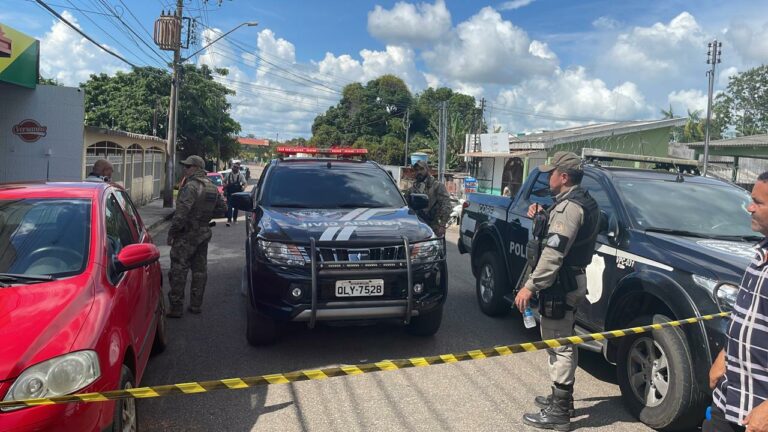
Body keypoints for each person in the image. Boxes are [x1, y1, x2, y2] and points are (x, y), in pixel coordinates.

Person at [513, 151, 600, 431]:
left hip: (560, 284)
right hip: (569, 280)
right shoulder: (574, 202)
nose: (547, 177)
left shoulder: (569, 208)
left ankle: (559, 412)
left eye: (551, 173)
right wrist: (542, 214)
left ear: (563, 177)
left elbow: (553, 254)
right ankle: (562, 398)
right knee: (563, 340)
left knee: (558, 344)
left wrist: (530, 286)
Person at [705, 172, 768, 432]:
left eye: (758, 202)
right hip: (731, 400)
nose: (749, 207)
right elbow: (747, 318)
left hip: (759, 412)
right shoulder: (760, 255)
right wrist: (725, 356)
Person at [167, 155, 226, 317]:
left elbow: (181, 213)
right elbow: (222, 209)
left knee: (179, 269)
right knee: (199, 271)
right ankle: (195, 305)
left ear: (196, 168)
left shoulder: (191, 186)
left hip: (186, 235)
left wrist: (172, 233)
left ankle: (176, 308)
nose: (185, 169)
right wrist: (204, 218)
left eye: (188, 166)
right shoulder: (212, 187)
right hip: (203, 233)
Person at [407, 160, 452, 237]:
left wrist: (442, 225)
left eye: (421, 169)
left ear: (427, 170)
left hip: (434, 226)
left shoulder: (437, 186)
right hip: (417, 226)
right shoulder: (413, 188)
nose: (419, 172)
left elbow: (446, 205)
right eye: (417, 170)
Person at [224, 162, 247, 227]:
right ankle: (229, 220)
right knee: (230, 207)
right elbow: (223, 181)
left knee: (236, 207)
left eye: (237, 167)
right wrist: (225, 185)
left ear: (238, 168)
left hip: (237, 194)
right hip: (230, 193)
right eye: (234, 167)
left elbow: (245, 183)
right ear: (232, 167)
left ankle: (235, 219)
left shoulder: (241, 175)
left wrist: (243, 188)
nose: (235, 168)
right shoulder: (228, 175)